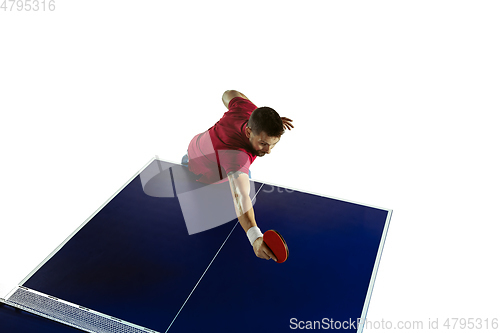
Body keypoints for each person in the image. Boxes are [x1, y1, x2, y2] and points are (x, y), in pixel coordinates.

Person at [182, 90, 294, 261]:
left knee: (241, 175)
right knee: (238, 180)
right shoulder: (237, 157)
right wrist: (255, 237)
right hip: (203, 168)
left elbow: (229, 93)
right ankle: (189, 165)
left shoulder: (246, 108)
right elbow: (240, 196)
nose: (269, 151)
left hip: (198, 142)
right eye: (263, 144)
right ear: (249, 132)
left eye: (273, 144)